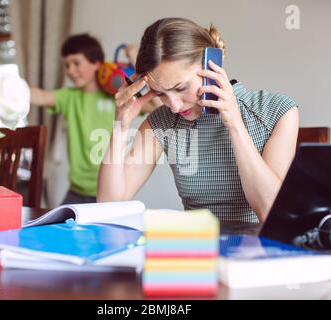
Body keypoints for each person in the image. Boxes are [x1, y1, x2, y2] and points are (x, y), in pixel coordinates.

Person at [97, 18, 299, 224]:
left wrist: (235, 125)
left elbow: (270, 213)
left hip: (260, 250)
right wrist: (120, 125)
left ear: (212, 66)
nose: (174, 106)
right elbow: (109, 204)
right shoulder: (163, 121)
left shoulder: (276, 110)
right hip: (195, 248)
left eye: (180, 88)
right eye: (161, 94)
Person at [31, 34, 158, 205]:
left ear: (97, 64)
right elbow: (40, 96)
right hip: (76, 192)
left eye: (76, 63)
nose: (70, 70)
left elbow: (157, 105)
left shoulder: (118, 96)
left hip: (110, 191)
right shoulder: (69, 97)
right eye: (67, 65)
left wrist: (137, 61)